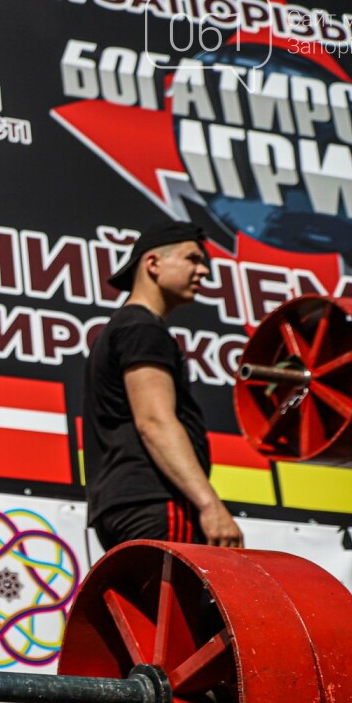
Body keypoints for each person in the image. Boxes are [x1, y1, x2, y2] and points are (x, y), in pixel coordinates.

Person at [82, 221, 243, 551]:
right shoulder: (141, 327)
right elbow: (155, 422)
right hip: (157, 500)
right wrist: (210, 505)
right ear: (153, 263)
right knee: (179, 604)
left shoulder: (122, 328)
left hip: (122, 507)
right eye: (193, 259)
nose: (203, 272)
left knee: (152, 604)